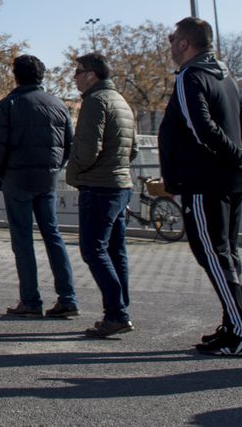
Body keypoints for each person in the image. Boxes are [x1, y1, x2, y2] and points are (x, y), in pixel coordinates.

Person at [158, 16, 242, 357]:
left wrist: (237, 156)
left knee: (213, 255)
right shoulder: (224, 75)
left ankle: (240, 333)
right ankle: (233, 326)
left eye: (173, 39)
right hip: (230, 180)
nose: (170, 45)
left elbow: (201, 128)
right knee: (227, 255)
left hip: (204, 181)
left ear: (185, 43)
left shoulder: (191, 76)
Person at [0, 54, 77, 320]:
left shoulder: (9, 105)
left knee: (23, 239)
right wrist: (53, 169)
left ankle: (30, 299)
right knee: (53, 235)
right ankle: (67, 297)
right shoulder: (58, 105)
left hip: (16, 178)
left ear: (16, 75)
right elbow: (68, 145)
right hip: (46, 178)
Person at [64, 52, 138, 339]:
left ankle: (116, 313)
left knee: (93, 249)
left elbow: (87, 148)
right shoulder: (121, 102)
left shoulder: (95, 102)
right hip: (121, 184)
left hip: (99, 185)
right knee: (116, 251)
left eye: (78, 72)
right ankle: (121, 309)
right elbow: (132, 149)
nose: (75, 77)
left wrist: (75, 169)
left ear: (91, 74)